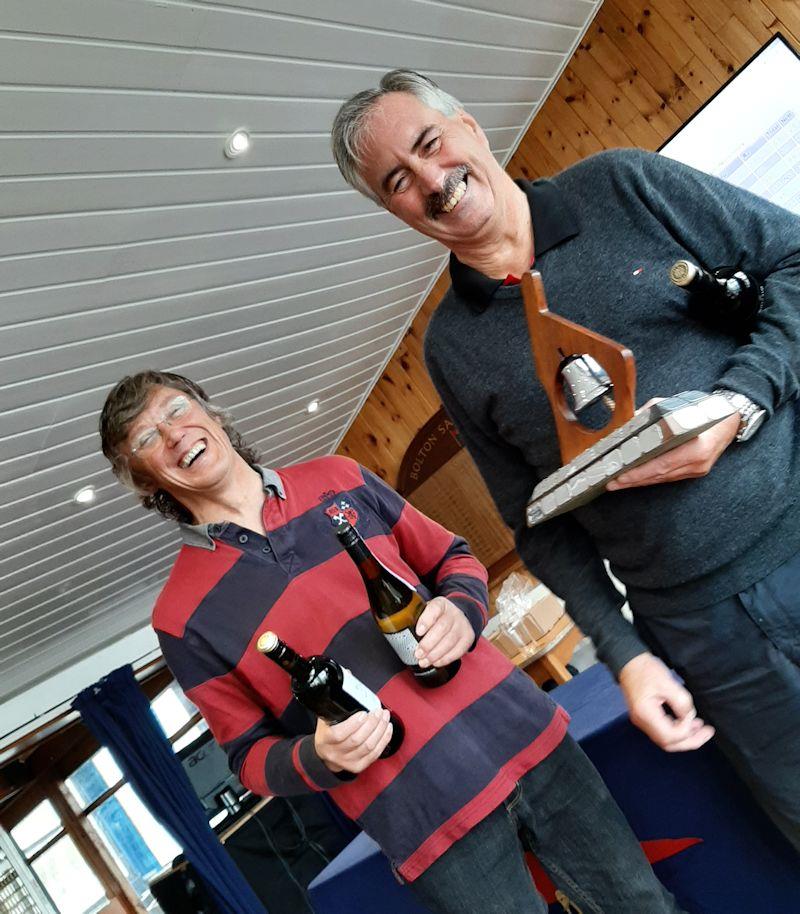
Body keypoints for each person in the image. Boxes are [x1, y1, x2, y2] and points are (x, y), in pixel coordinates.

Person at [331, 70, 800, 852]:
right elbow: (538, 525)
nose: (431, 182)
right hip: (706, 635)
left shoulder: (623, 185)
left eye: (428, 144)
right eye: (399, 182)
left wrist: (741, 402)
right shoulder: (452, 349)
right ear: (395, 211)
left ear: (472, 128)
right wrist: (625, 656)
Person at [99, 369, 685, 914]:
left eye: (177, 409)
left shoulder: (340, 477)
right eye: (148, 438)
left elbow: (454, 558)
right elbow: (248, 757)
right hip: (423, 817)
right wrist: (318, 756)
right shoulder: (179, 618)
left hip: (526, 737)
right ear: (145, 480)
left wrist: (460, 611)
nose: (175, 434)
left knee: (643, 903)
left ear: (213, 413)